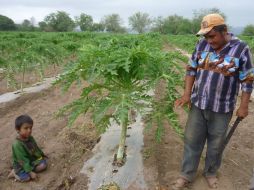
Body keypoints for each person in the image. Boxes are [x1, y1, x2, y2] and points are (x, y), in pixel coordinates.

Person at [173, 13, 254, 189]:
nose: (208, 41)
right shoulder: (202, 45)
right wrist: (187, 94)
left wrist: (244, 106)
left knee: (216, 144)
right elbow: (191, 70)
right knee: (192, 140)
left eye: (212, 36)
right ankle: (187, 174)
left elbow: (247, 80)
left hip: (222, 107)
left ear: (224, 31)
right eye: (205, 37)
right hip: (198, 104)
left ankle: (210, 172)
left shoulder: (241, 48)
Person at [8, 114, 47, 182]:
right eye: (26, 128)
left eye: (30, 128)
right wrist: (30, 172)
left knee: (43, 165)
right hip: (21, 165)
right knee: (26, 178)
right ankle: (14, 173)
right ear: (18, 130)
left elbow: (36, 148)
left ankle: (29, 169)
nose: (29, 130)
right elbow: (22, 160)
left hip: (31, 161)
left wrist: (42, 155)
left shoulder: (30, 138)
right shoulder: (17, 144)